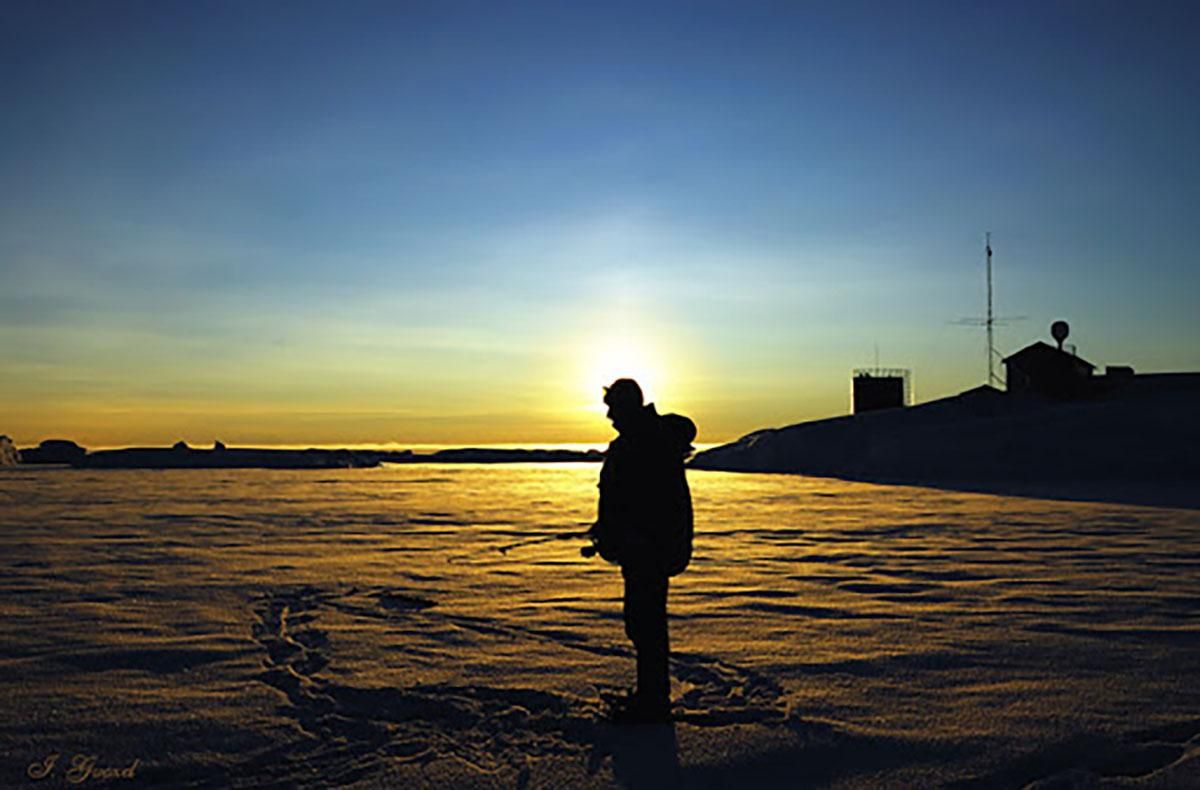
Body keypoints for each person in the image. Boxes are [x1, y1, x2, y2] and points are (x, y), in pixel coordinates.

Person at [588, 378, 695, 724]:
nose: (609, 416)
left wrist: (626, 534)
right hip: (642, 549)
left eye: (613, 408)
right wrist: (607, 529)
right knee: (643, 623)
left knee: (646, 624)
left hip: (648, 551)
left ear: (627, 406)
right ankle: (650, 695)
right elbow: (625, 500)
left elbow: (652, 503)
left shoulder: (646, 443)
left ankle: (653, 702)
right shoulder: (642, 440)